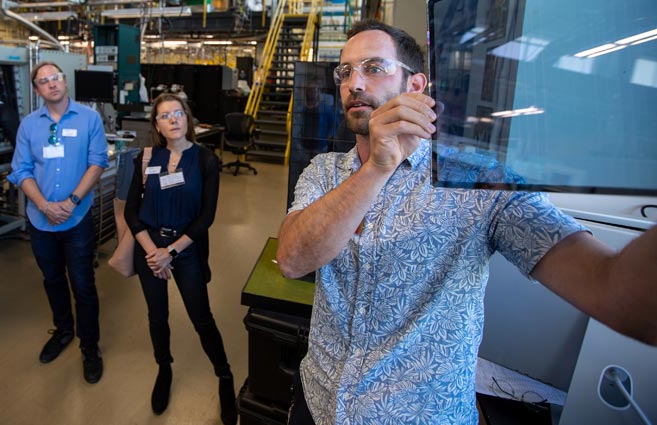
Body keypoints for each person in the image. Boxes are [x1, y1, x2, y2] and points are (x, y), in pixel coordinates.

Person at [276, 19, 657, 424]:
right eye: (345, 71)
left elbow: (621, 298)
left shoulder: (477, 180)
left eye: (373, 67)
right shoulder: (324, 172)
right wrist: (376, 170)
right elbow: (292, 260)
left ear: (416, 87)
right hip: (318, 403)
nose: (354, 83)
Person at [124, 93, 237, 424]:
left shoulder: (205, 160)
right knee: (157, 316)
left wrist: (170, 252)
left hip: (184, 250)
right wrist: (152, 251)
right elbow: (132, 211)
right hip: (149, 249)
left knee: (201, 317)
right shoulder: (145, 159)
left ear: (187, 118)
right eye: (164, 115)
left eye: (177, 113)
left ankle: (225, 376)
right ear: (156, 124)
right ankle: (164, 368)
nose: (172, 119)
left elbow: (206, 218)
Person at [8, 61, 108, 384]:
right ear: (37, 90)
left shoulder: (89, 119)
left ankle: (89, 347)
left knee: (83, 284)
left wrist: (71, 202)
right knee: (52, 280)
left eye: (56, 78)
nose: (51, 84)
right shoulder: (28, 125)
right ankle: (64, 331)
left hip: (76, 219)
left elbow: (97, 163)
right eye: (44, 81)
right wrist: (44, 205)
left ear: (65, 82)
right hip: (41, 222)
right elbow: (21, 170)